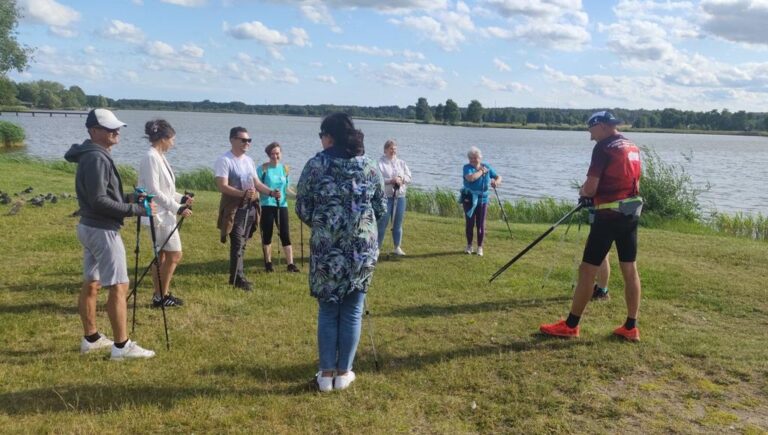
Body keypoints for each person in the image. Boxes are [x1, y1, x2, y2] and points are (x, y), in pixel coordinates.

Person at [296, 113, 385, 392]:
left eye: (322, 135)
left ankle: (326, 376)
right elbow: (380, 207)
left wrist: (324, 225)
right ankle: (344, 373)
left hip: (327, 246)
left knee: (328, 309)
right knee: (352, 310)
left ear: (329, 135)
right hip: (361, 247)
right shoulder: (369, 166)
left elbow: (302, 207)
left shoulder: (315, 165)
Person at [540, 110, 643, 341]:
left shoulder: (604, 147)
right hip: (630, 214)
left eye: (591, 129)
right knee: (629, 268)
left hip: (607, 216)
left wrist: (584, 193)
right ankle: (631, 326)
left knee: (587, 269)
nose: (590, 135)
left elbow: (590, 187)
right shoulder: (632, 146)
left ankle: (571, 325)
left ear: (604, 126)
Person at [64, 108, 156, 360]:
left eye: (117, 127)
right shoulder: (96, 157)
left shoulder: (93, 154)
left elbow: (102, 196)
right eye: (109, 128)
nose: (116, 131)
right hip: (102, 229)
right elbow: (98, 201)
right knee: (119, 285)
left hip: (90, 226)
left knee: (92, 282)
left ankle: (91, 339)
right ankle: (121, 346)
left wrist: (129, 198)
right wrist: (136, 209)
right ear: (94, 131)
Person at [214, 126, 281, 291]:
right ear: (232, 140)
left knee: (243, 242)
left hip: (251, 207)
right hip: (234, 208)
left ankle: (236, 276)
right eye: (243, 140)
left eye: (249, 140)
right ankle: (238, 278)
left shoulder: (249, 161)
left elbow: (257, 184)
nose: (247, 143)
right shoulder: (225, 160)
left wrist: (271, 192)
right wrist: (242, 194)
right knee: (237, 240)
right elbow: (222, 186)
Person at [138, 119, 194, 308]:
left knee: (162, 256)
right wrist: (177, 208)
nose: (173, 143)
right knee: (174, 255)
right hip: (159, 216)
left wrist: (181, 198)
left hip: (164, 212)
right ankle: (161, 296)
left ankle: (159, 295)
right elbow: (153, 189)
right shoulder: (151, 157)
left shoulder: (159, 156)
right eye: (172, 139)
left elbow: (166, 189)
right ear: (164, 138)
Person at [257, 142, 299, 273]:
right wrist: (269, 193)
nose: (275, 156)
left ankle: (290, 264)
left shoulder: (285, 169)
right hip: (267, 205)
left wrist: (298, 196)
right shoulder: (263, 169)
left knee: (285, 234)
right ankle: (268, 263)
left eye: (277, 153)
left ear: (281, 153)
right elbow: (257, 187)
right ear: (268, 155)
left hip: (282, 206)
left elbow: (286, 189)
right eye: (273, 154)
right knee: (267, 235)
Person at [461, 146, 502, 257]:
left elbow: (499, 177)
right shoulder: (467, 167)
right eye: (471, 158)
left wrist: (496, 182)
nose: (473, 159)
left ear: (480, 157)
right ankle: (469, 245)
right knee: (469, 223)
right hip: (469, 199)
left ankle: (480, 247)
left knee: (480, 224)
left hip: (483, 199)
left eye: (476, 157)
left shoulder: (487, 167)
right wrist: (481, 171)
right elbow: (471, 178)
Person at [376, 139, 412, 256]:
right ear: (385, 150)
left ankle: (397, 247)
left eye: (395, 148)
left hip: (400, 197)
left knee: (397, 223)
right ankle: (377, 248)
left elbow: (409, 176)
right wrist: (391, 181)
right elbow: (378, 179)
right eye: (391, 148)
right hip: (386, 197)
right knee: (382, 224)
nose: (393, 151)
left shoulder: (401, 163)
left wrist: (402, 180)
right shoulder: (380, 163)